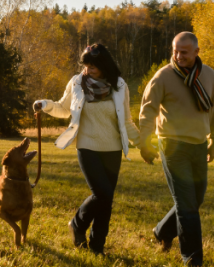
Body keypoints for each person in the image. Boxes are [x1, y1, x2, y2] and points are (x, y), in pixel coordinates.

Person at [33, 43, 140, 255]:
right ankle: (77, 224)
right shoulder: (77, 83)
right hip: (86, 145)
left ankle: (97, 247)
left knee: (106, 200)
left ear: (104, 65)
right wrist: (44, 104)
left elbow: (126, 121)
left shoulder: (119, 86)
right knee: (102, 193)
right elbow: (64, 109)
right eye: (85, 65)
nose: (87, 69)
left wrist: (144, 143)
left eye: (93, 66)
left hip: (113, 149)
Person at [139, 31, 214, 267]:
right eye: (175, 51)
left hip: (198, 145)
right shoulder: (163, 76)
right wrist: (145, 143)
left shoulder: (208, 75)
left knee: (195, 199)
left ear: (196, 52)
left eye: (184, 52)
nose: (178, 56)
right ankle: (192, 259)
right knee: (186, 205)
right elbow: (147, 111)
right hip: (172, 145)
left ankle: (162, 231)